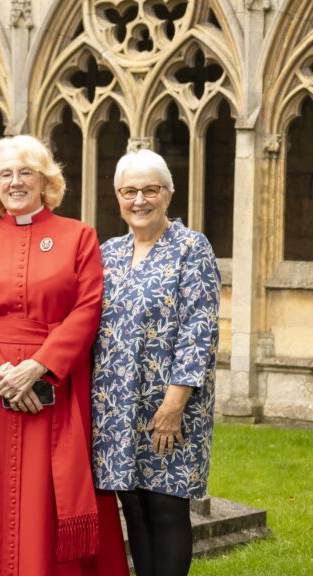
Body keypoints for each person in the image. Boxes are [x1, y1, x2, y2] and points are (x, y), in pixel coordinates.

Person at [0, 135, 127, 576]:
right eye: (5, 175)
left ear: (45, 181)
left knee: (42, 496)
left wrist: (38, 367)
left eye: (26, 173)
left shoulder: (79, 236)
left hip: (51, 384)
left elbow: (88, 308)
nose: (15, 182)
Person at [91, 149, 220, 576]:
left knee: (166, 508)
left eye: (150, 190)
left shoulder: (191, 247)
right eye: (130, 191)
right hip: (115, 405)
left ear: (168, 194)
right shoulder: (107, 253)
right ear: (117, 196)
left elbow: (199, 330)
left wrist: (174, 404)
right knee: (134, 510)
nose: (139, 200)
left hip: (170, 407)